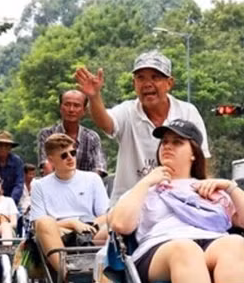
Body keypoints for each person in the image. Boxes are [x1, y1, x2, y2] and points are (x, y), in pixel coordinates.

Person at [108, 119, 244, 283]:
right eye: (164, 142)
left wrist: (230, 187)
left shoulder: (212, 188)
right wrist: (146, 182)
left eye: (177, 142)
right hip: (162, 250)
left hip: (212, 243)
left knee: (236, 244)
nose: (168, 146)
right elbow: (120, 224)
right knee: (185, 249)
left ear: (194, 154)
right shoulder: (145, 190)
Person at [75, 50, 211, 203]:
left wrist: (203, 195)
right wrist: (94, 97)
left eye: (155, 77)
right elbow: (106, 123)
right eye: (141, 78)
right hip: (129, 205)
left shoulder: (187, 112)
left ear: (169, 83)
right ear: (134, 83)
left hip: (176, 203)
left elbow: (202, 157)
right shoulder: (127, 111)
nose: (147, 84)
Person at [29, 133, 110, 273]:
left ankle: (111, 276)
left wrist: (90, 227)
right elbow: (38, 225)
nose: (70, 158)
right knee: (44, 222)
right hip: (58, 235)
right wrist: (72, 224)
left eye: (73, 153)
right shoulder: (39, 186)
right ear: (51, 160)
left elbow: (105, 215)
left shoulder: (93, 179)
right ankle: (67, 276)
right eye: (64, 155)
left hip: (90, 232)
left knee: (115, 220)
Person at [37, 90, 107, 177]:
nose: (71, 109)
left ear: (84, 110)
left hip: (85, 184)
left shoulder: (92, 137)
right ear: (60, 107)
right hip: (55, 182)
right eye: (67, 104)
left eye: (76, 105)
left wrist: (87, 182)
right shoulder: (47, 134)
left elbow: (100, 166)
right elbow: (46, 164)